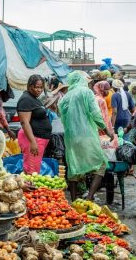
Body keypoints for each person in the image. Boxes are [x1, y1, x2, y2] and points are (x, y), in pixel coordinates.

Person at [60, 71, 113, 200]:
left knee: (74, 166)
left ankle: (73, 200)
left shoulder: (66, 97)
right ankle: (89, 196)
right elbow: (95, 114)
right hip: (86, 135)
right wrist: (106, 130)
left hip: (71, 138)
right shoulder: (86, 92)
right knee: (100, 164)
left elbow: (62, 117)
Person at [17, 74, 52, 174]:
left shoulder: (33, 99)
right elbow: (24, 122)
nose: (39, 90)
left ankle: (31, 188)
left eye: (41, 87)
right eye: (36, 87)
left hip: (38, 138)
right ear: (29, 86)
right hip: (33, 138)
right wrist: (33, 142)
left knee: (34, 169)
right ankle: (30, 189)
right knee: (32, 170)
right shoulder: (26, 99)